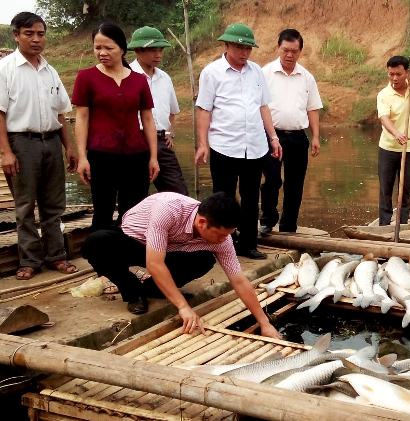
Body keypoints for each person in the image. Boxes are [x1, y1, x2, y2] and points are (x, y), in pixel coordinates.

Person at [82, 191, 281, 338]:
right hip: (133, 241)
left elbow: (239, 280)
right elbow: (154, 263)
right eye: (219, 234)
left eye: (226, 235)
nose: (223, 240)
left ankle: (152, 289)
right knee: (97, 242)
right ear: (202, 223)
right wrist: (183, 307)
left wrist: (264, 323)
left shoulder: (222, 239)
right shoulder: (169, 210)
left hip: (171, 251)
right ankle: (133, 291)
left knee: (204, 258)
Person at [0, 12, 78, 280]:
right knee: (25, 205)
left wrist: (69, 146)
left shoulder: (50, 71)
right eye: (29, 34)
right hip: (21, 142)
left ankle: (56, 256)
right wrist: (6, 152)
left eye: (40, 33)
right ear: (16, 35)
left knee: (54, 204)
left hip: (51, 140)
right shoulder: (3, 70)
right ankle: (29, 260)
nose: (36, 39)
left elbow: (61, 113)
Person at [195, 23, 282, 260]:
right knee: (223, 198)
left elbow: (263, 106)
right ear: (227, 45)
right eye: (239, 48)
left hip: (254, 145)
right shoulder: (212, 73)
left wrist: (273, 137)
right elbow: (204, 109)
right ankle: (220, 243)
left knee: (251, 196)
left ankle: (248, 244)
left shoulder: (256, 72)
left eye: (248, 49)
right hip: (224, 143)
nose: (244, 53)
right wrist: (202, 143)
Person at [72, 23, 159, 230]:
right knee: (103, 210)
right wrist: (82, 157)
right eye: (97, 47)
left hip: (136, 155)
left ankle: (127, 256)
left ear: (122, 48)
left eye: (108, 48)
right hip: (101, 155)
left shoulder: (138, 80)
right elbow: (82, 118)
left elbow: (147, 119)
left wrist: (153, 156)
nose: (101, 53)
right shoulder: (86, 77)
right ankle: (102, 259)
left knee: (134, 211)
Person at [259, 28, 322, 235]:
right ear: (278, 48)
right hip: (271, 136)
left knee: (295, 184)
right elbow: (258, 105)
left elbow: (312, 108)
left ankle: (288, 227)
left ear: (300, 51)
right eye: (285, 50)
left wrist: (315, 137)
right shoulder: (265, 73)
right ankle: (267, 219)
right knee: (272, 180)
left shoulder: (306, 77)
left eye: (294, 51)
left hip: (298, 137)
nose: (289, 55)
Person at [128, 26, 188, 195]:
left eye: (160, 50)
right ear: (138, 51)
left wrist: (170, 132)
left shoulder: (165, 77)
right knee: (135, 194)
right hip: (136, 142)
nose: (158, 55)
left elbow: (172, 111)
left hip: (162, 141)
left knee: (179, 194)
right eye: (153, 50)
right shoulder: (127, 75)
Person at [376, 55, 410, 225]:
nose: (394, 78)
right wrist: (396, 134)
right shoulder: (384, 94)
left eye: (398, 74)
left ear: (407, 73)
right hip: (388, 148)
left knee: (404, 190)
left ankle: (402, 225)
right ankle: (384, 226)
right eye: (391, 74)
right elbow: (384, 119)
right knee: (386, 190)